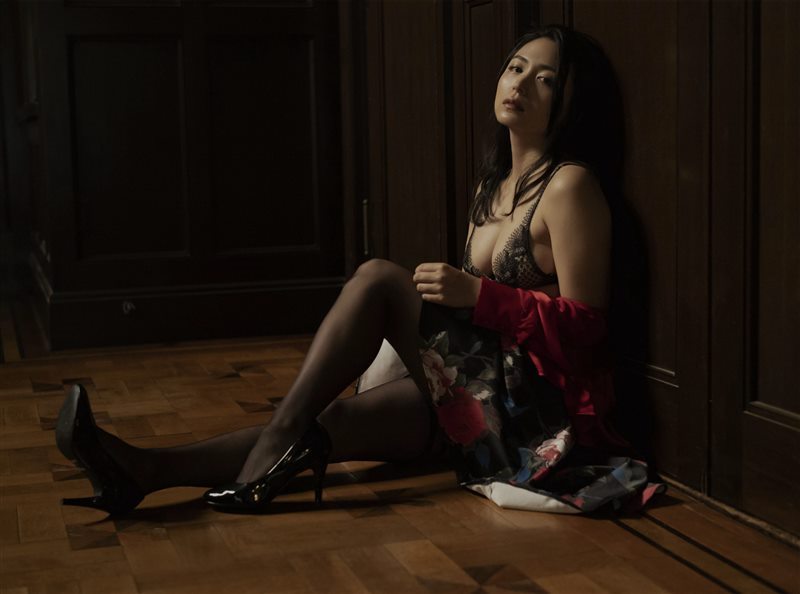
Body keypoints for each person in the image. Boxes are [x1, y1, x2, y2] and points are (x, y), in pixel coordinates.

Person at [55, 25, 660, 516]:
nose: (521, 83)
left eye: (545, 79)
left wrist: (479, 295)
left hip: (536, 416)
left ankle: (269, 448)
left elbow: (588, 329)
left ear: (570, 101)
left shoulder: (570, 187)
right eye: (515, 67)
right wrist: (470, 303)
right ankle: (144, 471)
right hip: (478, 393)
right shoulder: (492, 185)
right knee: (333, 421)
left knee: (377, 277)